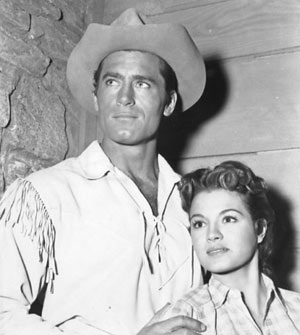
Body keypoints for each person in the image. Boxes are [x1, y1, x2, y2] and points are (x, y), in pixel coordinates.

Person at [0, 7, 208, 335]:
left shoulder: (198, 202)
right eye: (112, 81)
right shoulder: (44, 195)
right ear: (97, 97)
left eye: (142, 84)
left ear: (168, 103)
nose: (124, 98)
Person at [150, 161, 300, 334]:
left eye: (228, 219)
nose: (212, 234)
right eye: (199, 223)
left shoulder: (296, 310)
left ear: (259, 229)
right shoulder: (185, 318)